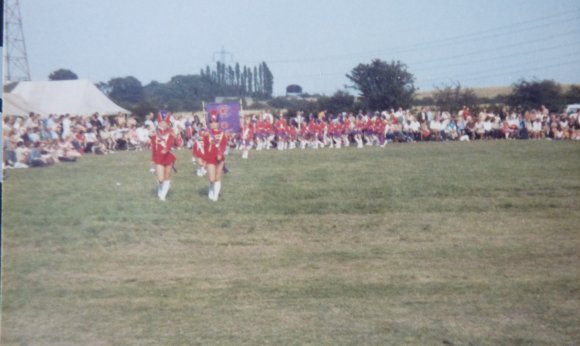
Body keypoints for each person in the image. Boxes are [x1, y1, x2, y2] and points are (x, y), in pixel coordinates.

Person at [150, 112, 176, 201]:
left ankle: (162, 196)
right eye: (161, 122)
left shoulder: (171, 133)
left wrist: (166, 149)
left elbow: (171, 142)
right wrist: (152, 160)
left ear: (168, 123)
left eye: (165, 122)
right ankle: (161, 189)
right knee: (160, 179)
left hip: (168, 157)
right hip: (158, 158)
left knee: (167, 176)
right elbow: (153, 148)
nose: (163, 124)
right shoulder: (154, 134)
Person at [203, 112, 228, 201]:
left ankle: (215, 196)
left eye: (215, 122)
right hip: (210, 157)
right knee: (212, 179)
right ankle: (211, 189)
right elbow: (205, 147)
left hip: (219, 158)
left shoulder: (223, 133)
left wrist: (220, 154)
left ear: (218, 123)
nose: (213, 124)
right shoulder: (206, 134)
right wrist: (204, 160)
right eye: (211, 122)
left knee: (217, 178)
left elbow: (224, 145)